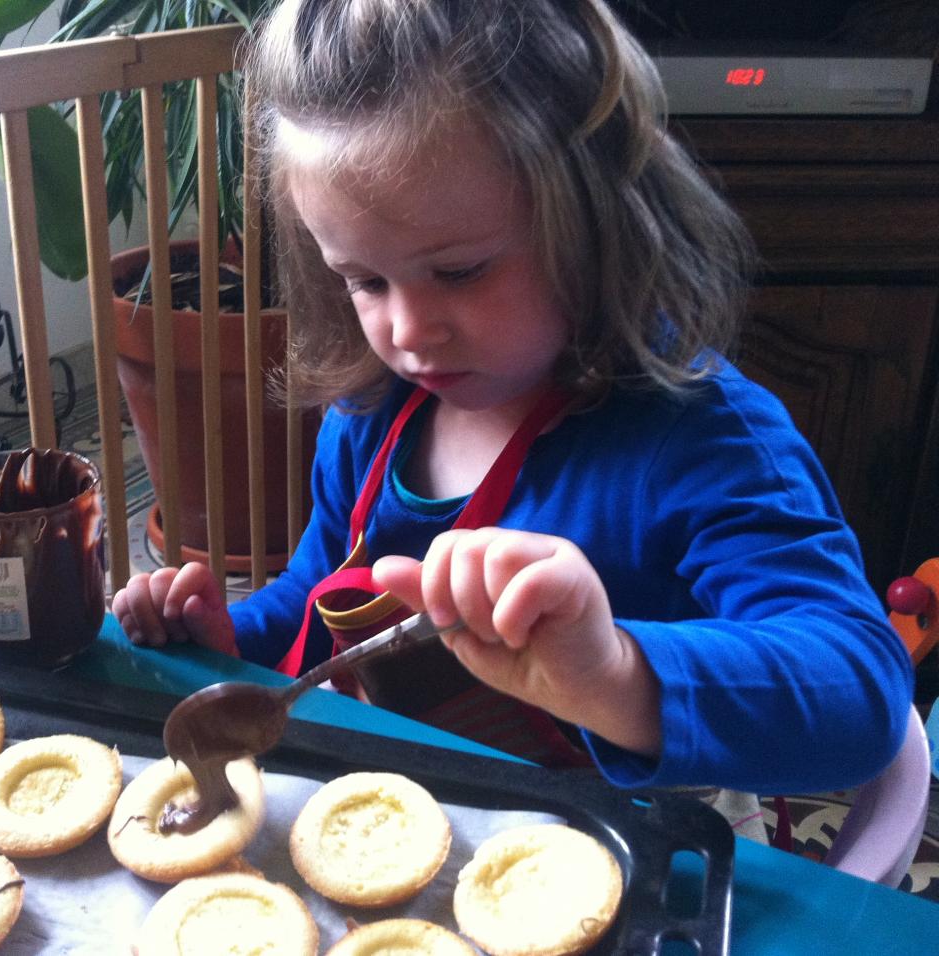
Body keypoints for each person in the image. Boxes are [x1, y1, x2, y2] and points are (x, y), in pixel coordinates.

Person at [112, 0, 913, 808]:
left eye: (459, 271)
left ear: (599, 219)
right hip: (409, 816)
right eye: (365, 280)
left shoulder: (706, 444)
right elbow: (318, 594)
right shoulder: (370, 416)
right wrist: (233, 641)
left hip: (607, 853)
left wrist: (613, 674)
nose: (409, 330)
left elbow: (862, 697)